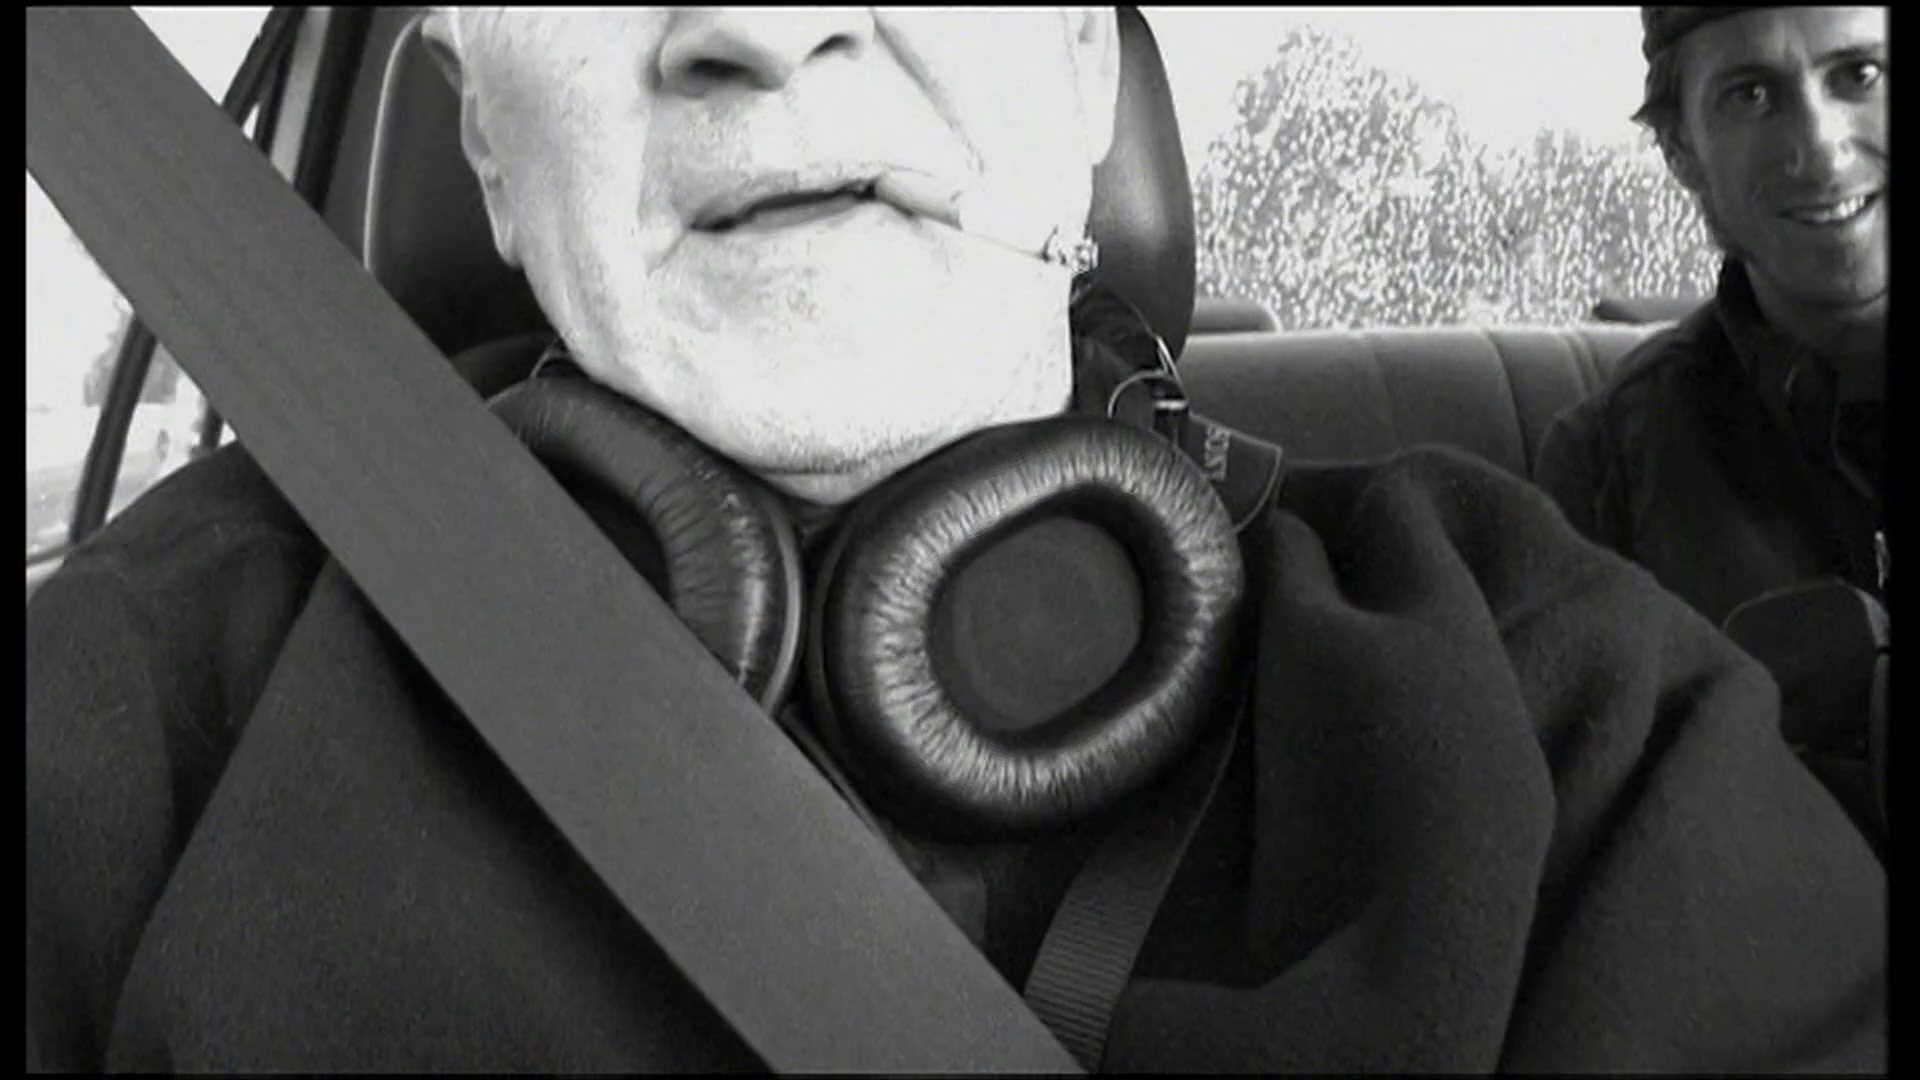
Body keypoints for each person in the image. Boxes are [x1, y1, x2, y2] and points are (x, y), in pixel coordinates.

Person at [26, 9, 1885, 1073]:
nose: (761, 25)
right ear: (490, 158)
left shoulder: (1572, 720)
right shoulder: (131, 715)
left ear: (1082, 70)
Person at [1534, 6, 1887, 844]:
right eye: (1751, 93)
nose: (1820, 147)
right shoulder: (1609, 465)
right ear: (1681, 150)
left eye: (1860, 75)